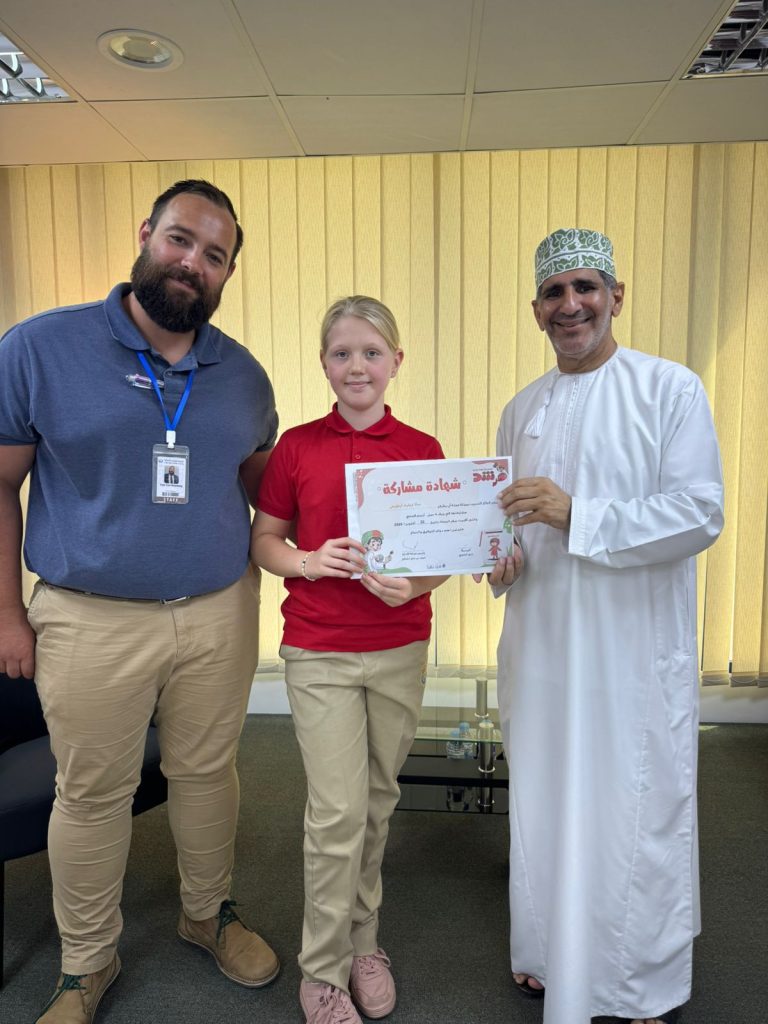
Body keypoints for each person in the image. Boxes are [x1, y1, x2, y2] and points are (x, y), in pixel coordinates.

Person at [0, 179, 280, 1023]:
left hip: (218, 609)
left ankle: (207, 912)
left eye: (215, 254)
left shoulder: (243, 376)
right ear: (146, 234)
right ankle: (85, 964)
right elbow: (1, 485)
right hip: (89, 617)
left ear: (229, 272)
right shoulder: (40, 348)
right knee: (91, 792)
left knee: (207, 771)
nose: (193, 261)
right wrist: (7, 614)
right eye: (180, 239)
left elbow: (272, 491)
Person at [488, 228, 724, 1024]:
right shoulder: (521, 410)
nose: (571, 305)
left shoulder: (670, 390)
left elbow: (699, 512)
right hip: (543, 648)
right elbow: (510, 532)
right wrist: (502, 561)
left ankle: (639, 986)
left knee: (632, 809)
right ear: (536, 310)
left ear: (615, 296)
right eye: (554, 293)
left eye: (585, 287)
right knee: (547, 802)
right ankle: (547, 954)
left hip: (630, 653)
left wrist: (578, 514)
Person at [250, 295, 448, 1024]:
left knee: (377, 802)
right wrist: (307, 560)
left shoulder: (423, 449)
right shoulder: (297, 448)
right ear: (324, 364)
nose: (357, 366)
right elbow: (265, 541)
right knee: (337, 812)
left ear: (396, 361)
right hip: (320, 650)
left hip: (399, 647)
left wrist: (416, 584)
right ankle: (323, 969)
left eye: (371, 352)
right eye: (342, 353)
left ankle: (365, 941)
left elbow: (444, 551)